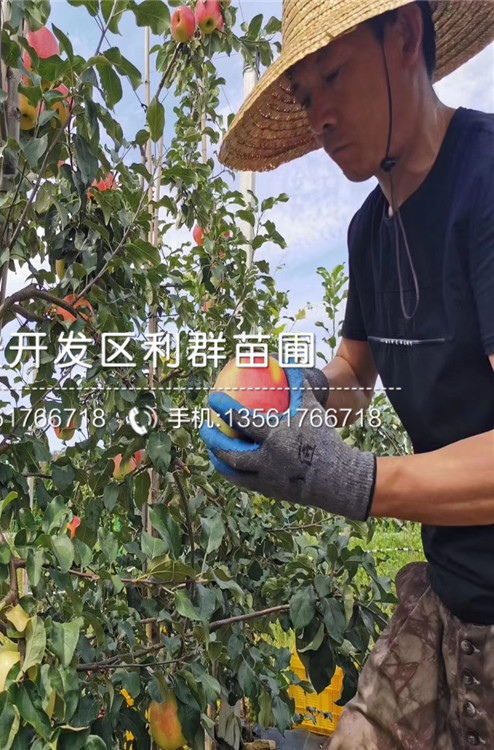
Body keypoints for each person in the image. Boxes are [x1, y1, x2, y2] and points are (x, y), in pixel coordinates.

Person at [201, 0, 494, 747]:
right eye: (305, 97)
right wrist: (292, 395)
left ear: (405, 38)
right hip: (450, 589)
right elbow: (354, 375)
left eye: (333, 76)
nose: (319, 117)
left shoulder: (485, 182)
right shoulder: (369, 231)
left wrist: (355, 481)